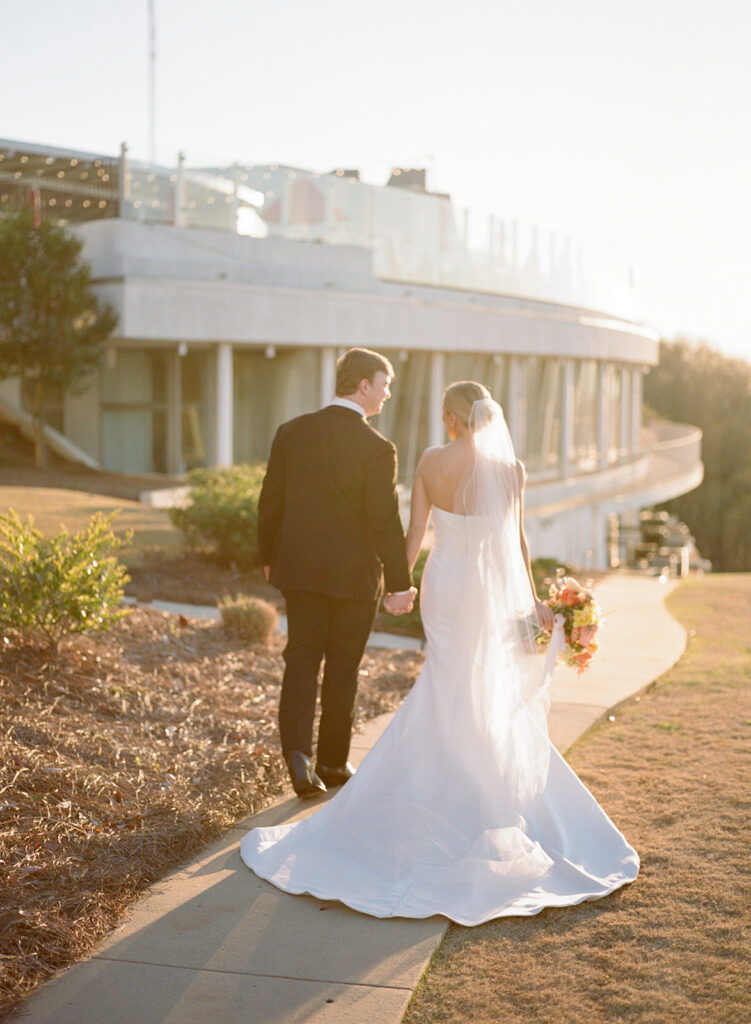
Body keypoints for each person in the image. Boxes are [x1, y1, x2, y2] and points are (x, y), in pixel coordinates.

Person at [243, 381, 639, 924]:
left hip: (447, 585)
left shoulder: (431, 460)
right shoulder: (512, 469)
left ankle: (446, 778)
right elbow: (517, 542)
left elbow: (416, 531)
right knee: (484, 686)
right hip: (493, 592)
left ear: (451, 418)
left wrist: (399, 585)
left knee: (446, 677)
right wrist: (532, 602)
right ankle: (478, 782)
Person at [257, 347, 417, 799]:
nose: (387, 394)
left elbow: (271, 500)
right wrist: (401, 582)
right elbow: (384, 519)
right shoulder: (377, 447)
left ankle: (300, 760)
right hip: (354, 578)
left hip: (299, 569)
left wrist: (269, 555)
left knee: (302, 660)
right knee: (344, 667)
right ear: (363, 385)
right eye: (384, 385)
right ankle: (332, 759)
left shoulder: (292, 432)